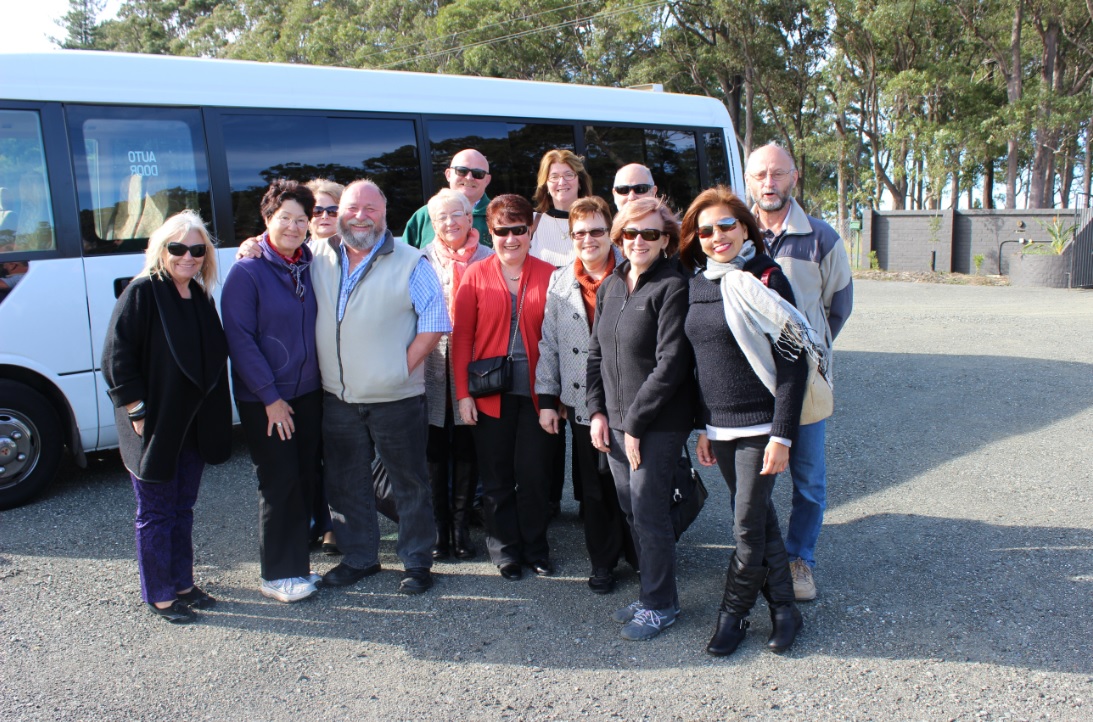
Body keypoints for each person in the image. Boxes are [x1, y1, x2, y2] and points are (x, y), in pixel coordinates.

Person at [680, 186, 810, 656]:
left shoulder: (767, 278)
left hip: (761, 427)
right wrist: (703, 427)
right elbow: (698, 362)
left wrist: (782, 435)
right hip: (721, 427)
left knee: (746, 529)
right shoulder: (696, 284)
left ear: (744, 228)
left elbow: (794, 361)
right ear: (696, 236)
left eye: (727, 226)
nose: (717, 237)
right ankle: (783, 610)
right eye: (707, 229)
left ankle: (732, 616)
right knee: (761, 522)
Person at [315, 179, 450, 595]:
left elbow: (435, 322)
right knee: (346, 482)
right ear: (340, 212)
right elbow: (273, 243)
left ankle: (416, 563)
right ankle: (360, 558)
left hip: (396, 397)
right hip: (337, 396)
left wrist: (398, 368)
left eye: (370, 209)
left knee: (408, 483)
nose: (360, 216)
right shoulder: (316, 254)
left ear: (385, 213)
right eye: (353, 207)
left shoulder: (411, 261)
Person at [101, 210, 232, 624]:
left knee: (182, 507)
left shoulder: (199, 294)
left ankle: (182, 583)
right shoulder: (142, 292)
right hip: (155, 423)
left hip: (193, 423)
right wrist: (138, 414)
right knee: (156, 511)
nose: (187, 257)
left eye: (197, 249)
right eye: (178, 248)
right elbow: (116, 359)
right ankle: (158, 592)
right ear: (162, 249)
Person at [745, 142, 854, 602]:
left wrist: (803, 351)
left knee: (807, 478)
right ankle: (757, 559)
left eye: (777, 174)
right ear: (748, 180)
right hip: (749, 382)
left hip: (804, 382)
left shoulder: (821, 238)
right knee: (754, 479)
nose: (768, 183)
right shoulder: (732, 232)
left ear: (794, 177)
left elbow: (839, 306)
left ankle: (799, 560)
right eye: (760, 175)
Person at [587, 197, 694, 641]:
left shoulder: (673, 287)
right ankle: (652, 591)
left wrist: (633, 423)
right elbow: (594, 354)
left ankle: (661, 604)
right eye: (630, 233)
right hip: (613, 423)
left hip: (656, 424)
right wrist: (595, 411)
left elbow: (671, 363)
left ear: (666, 239)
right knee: (632, 510)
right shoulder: (612, 284)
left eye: (650, 233)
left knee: (649, 512)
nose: (638, 241)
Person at [222, 180, 323, 604]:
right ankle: (277, 574)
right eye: (285, 219)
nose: (294, 227)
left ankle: (297, 565)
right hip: (267, 399)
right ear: (267, 220)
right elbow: (240, 340)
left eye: (302, 220)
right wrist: (270, 398)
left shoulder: (310, 262)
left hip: (309, 392)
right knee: (277, 481)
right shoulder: (247, 270)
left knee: (303, 477)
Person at [451, 194, 556, 580]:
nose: (510, 238)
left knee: (533, 476)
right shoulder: (475, 275)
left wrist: (555, 397)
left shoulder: (551, 274)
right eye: (501, 231)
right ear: (489, 233)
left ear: (531, 231)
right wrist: (463, 394)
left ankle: (536, 549)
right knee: (495, 480)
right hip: (488, 392)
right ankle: (505, 550)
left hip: (537, 393)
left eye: (518, 230)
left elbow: (559, 340)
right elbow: (461, 339)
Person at [536, 196, 635, 594]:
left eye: (596, 231)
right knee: (594, 490)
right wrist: (547, 398)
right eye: (579, 233)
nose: (588, 239)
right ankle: (603, 562)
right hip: (581, 404)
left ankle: (642, 554)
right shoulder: (559, 281)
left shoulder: (633, 274)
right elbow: (550, 344)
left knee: (631, 485)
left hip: (628, 402)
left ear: (609, 232)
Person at [421, 188, 493, 561]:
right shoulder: (419, 259)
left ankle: (462, 529)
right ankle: (439, 530)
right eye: (440, 218)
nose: (449, 223)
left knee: (467, 449)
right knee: (434, 450)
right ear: (432, 224)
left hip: (474, 367)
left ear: (470, 218)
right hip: (431, 365)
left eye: (456, 215)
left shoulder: (490, 257)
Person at [304, 177, 343, 556]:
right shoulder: (296, 252)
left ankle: (334, 524)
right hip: (301, 370)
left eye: (334, 209)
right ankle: (312, 521)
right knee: (306, 452)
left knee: (336, 451)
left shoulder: (354, 250)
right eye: (317, 210)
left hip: (337, 371)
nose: (325, 216)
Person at [404, 149, 492, 249]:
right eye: (462, 171)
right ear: (448, 174)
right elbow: (403, 260)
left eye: (478, 173)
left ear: (487, 180)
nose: (469, 178)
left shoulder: (499, 216)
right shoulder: (424, 215)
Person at [530, 148, 593, 268]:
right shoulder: (532, 224)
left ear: (579, 181)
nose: (562, 182)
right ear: (546, 185)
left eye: (569, 175)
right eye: (554, 177)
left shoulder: (596, 223)